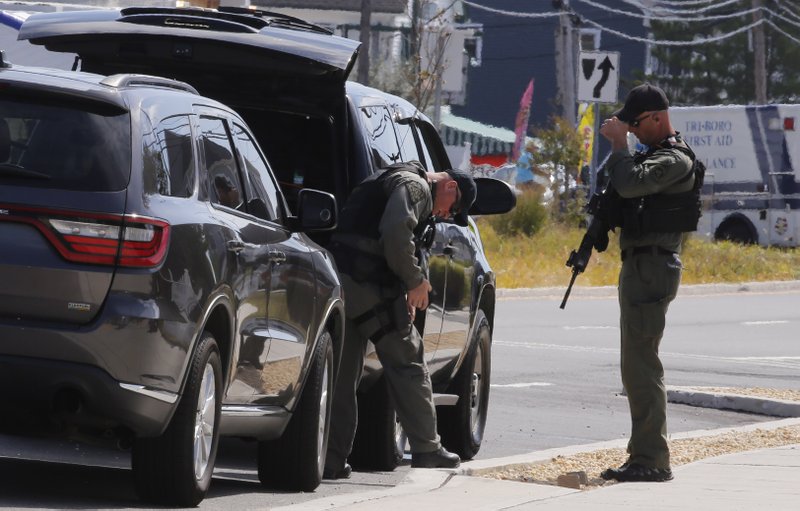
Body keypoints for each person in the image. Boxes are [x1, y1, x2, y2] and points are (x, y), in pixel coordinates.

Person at [323, 160, 476, 479]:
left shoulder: (392, 177)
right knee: (408, 360)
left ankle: (331, 458)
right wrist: (414, 282)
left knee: (342, 374)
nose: (447, 215)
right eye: (454, 208)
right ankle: (427, 448)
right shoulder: (416, 186)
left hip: (343, 281)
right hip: (369, 284)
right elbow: (395, 232)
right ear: (450, 187)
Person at [598, 84, 699, 483]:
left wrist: (620, 144)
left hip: (653, 268)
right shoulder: (654, 154)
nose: (635, 131)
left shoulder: (675, 160)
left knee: (642, 366)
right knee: (634, 365)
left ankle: (652, 459)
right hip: (641, 266)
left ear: (658, 117)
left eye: (637, 123)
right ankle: (643, 454)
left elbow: (630, 183)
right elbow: (619, 184)